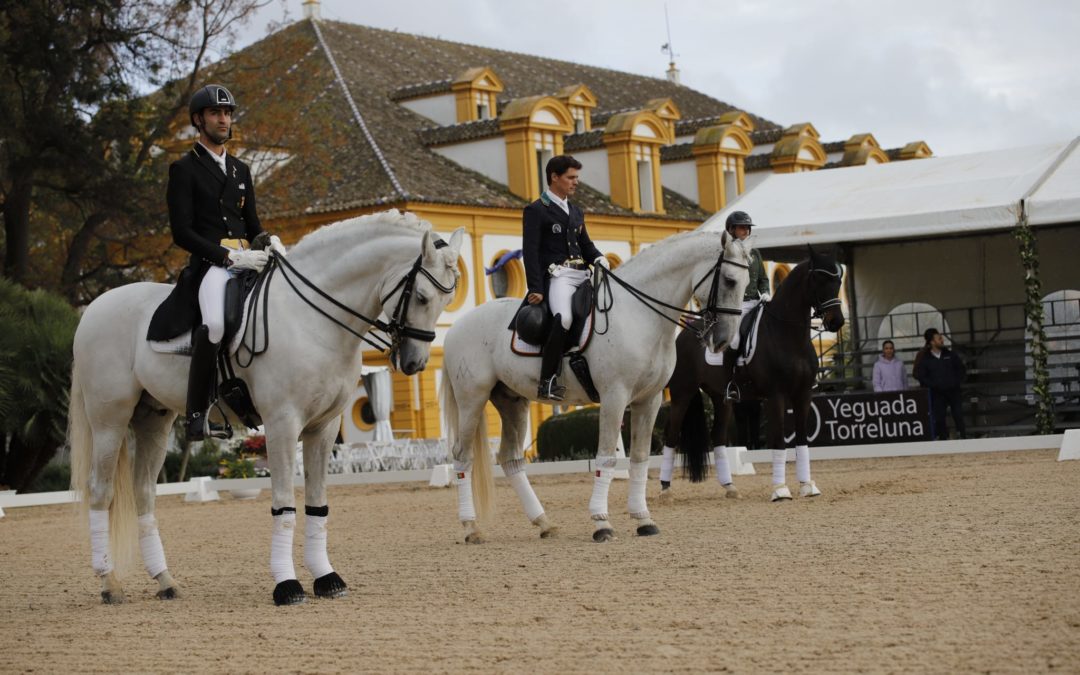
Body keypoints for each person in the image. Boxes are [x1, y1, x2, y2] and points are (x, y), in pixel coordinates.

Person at [148, 84, 285, 441]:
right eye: (215, 114)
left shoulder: (240, 170)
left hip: (250, 260)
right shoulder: (185, 169)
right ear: (199, 120)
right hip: (214, 265)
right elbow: (182, 232)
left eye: (227, 113)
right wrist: (227, 255)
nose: (223, 119)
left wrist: (270, 241)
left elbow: (252, 224)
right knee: (214, 325)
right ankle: (196, 413)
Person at [522, 154, 608, 400]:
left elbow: (586, 245)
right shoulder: (537, 210)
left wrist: (600, 258)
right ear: (554, 177)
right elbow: (530, 251)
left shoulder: (576, 211)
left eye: (577, 177)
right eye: (571, 177)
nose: (576, 182)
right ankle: (547, 380)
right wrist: (535, 287)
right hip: (559, 276)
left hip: (583, 274)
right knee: (565, 318)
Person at [724, 211, 769, 449]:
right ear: (731, 230)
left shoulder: (756, 252)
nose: (745, 231)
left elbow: (763, 278)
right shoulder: (727, 251)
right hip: (737, 304)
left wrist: (766, 291)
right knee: (735, 340)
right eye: (741, 228)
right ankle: (732, 381)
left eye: (747, 228)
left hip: (756, 301)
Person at [913, 327, 967, 439]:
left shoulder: (951, 355)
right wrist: (933, 385)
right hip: (937, 394)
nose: (942, 340)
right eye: (939, 338)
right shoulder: (925, 359)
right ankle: (943, 440)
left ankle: (963, 438)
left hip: (954, 392)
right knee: (939, 418)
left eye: (941, 338)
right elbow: (920, 375)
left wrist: (955, 382)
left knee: (958, 415)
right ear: (932, 342)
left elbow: (961, 369)